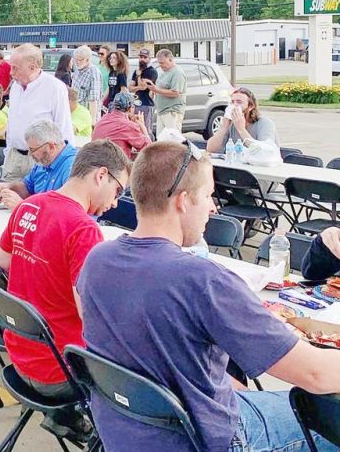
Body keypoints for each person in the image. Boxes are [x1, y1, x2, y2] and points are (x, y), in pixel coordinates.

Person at [76, 141, 340, 452]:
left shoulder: (96, 260)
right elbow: (317, 374)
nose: (214, 207)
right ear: (184, 202)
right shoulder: (203, 281)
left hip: (126, 431)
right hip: (203, 440)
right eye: (208, 195)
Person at [0, 139, 131, 442]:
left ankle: (65, 418)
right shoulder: (83, 229)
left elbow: (1, 260)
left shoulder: (28, 204)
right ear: (100, 175)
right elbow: (91, 316)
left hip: (19, 356)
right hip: (59, 372)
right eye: (118, 190)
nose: (116, 202)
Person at [3, 43, 73, 182]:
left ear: (33, 67)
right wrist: (8, 152)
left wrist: (63, 165)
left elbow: (63, 127)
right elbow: (13, 122)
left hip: (40, 160)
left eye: (15, 68)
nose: (11, 72)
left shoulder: (54, 87)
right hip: (14, 158)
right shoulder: (16, 87)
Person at [0, 120, 79, 210]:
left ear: (51, 146)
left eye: (32, 150)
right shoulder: (45, 159)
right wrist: (8, 187)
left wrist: (23, 206)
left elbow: (67, 212)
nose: (30, 154)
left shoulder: (73, 166)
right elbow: (27, 187)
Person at [206, 87, 280, 153]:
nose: (234, 105)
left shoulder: (265, 124)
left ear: (251, 106)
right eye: (232, 102)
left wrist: (241, 129)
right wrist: (224, 127)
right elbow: (210, 149)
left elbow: (262, 152)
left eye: (239, 102)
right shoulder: (231, 124)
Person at [92, 91, 151, 159]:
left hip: (96, 161)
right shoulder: (128, 126)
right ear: (130, 109)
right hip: (114, 166)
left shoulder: (103, 119)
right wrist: (143, 126)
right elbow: (149, 149)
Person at [147, 49, 186, 138]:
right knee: (161, 140)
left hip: (172, 111)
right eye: (159, 63)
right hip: (162, 111)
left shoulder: (177, 73)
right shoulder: (164, 72)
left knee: (172, 140)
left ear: (171, 60)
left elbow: (176, 93)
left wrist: (157, 90)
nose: (161, 65)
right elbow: (160, 87)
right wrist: (153, 91)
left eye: (162, 63)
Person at [129, 48, 158, 135]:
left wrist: (138, 76)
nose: (142, 59)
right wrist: (137, 86)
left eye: (145, 57)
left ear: (149, 59)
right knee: (135, 129)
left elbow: (143, 87)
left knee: (146, 129)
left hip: (146, 104)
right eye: (141, 57)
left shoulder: (152, 72)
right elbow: (130, 88)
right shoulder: (136, 71)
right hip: (136, 103)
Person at [71, 45, 103, 125]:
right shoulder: (77, 71)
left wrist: (93, 121)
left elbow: (94, 99)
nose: (77, 62)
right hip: (75, 114)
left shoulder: (93, 73)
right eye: (76, 59)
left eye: (80, 60)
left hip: (87, 117)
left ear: (88, 60)